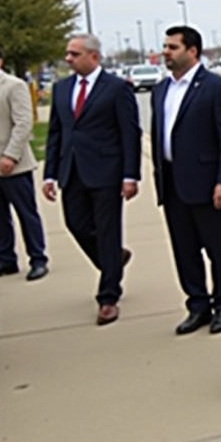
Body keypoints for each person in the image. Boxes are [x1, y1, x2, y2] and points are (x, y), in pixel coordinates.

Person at [41, 34, 142, 326]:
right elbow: (56, 135)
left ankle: (108, 297)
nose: (68, 59)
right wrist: (50, 173)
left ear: (93, 56)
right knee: (76, 224)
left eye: (74, 54)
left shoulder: (116, 89)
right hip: (71, 171)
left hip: (106, 172)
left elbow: (129, 134)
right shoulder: (61, 89)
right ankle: (112, 260)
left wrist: (130, 175)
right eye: (67, 54)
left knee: (108, 230)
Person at [152, 26, 221, 336]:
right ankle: (197, 305)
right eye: (165, 47)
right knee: (184, 249)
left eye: (173, 47)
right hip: (173, 183)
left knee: (220, 250)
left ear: (193, 51)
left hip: (207, 184)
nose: (166, 52)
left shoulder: (217, 88)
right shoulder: (160, 90)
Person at [0, 42, 48, 281]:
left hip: (10, 163)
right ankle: (5, 259)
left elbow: (23, 123)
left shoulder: (14, 86)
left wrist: (10, 155)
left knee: (26, 212)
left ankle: (38, 259)